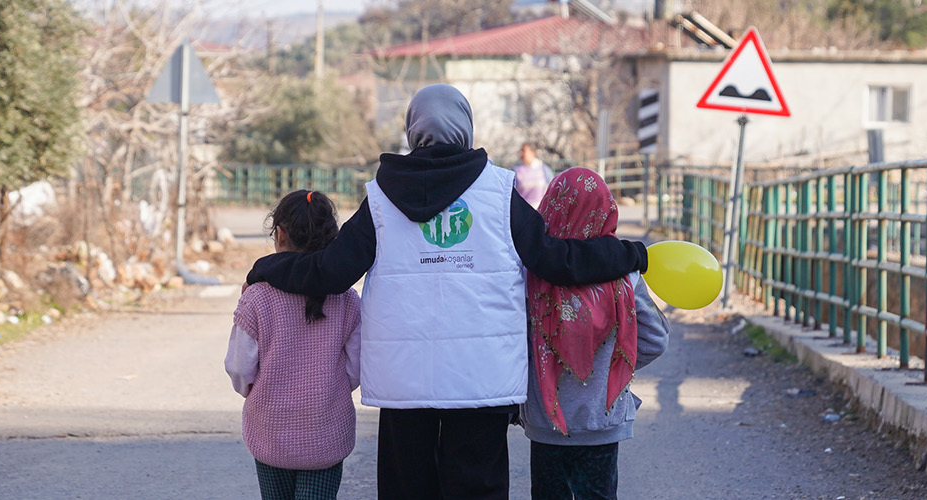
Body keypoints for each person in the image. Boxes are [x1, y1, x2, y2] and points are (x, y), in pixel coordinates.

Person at [245, 84, 650, 500]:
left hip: (404, 377)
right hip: (481, 375)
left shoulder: (381, 197)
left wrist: (268, 267)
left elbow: (330, 272)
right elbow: (557, 260)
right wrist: (631, 254)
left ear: (412, 129)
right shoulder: (498, 191)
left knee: (407, 488)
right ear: (465, 127)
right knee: (477, 487)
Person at [521, 169, 671, 500]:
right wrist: (612, 365)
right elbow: (655, 339)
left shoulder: (530, 275)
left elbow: (517, 342)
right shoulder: (625, 275)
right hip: (601, 418)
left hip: (546, 421)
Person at [225, 190, 362, 500]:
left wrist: (258, 392)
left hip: (270, 432)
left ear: (280, 234)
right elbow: (356, 367)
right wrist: (331, 391)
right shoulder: (346, 299)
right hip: (326, 433)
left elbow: (240, 367)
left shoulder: (257, 296)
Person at [513, 143, 557, 209]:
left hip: (540, 209)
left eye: (524, 151)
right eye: (521, 151)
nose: (521, 154)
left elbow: (552, 189)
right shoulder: (516, 170)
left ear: (533, 153)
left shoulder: (544, 169)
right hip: (522, 209)